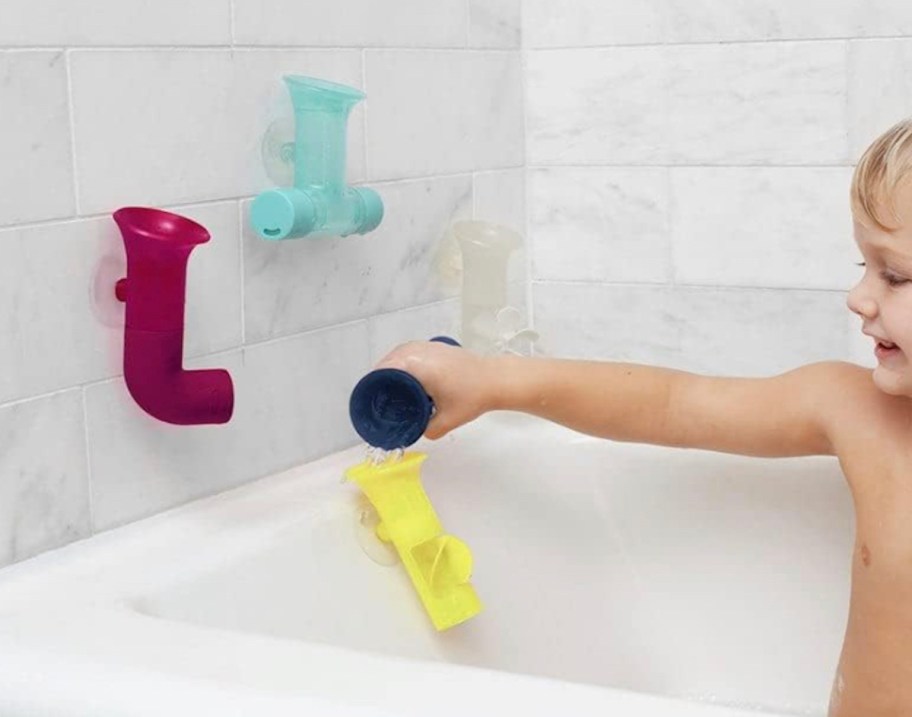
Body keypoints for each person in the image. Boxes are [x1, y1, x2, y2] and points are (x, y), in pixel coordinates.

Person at [374, 118, 912, 717]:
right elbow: (675, 405)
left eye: (894, 275)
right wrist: (494, 378)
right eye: (862, 266)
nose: (859, 297)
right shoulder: (858, 412)